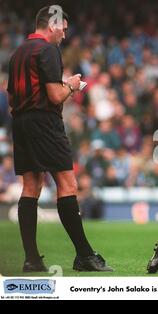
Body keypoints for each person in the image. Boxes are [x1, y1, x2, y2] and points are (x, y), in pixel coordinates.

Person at [7, 5, 112, 272]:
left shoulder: (18, 52)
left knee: (30, 187)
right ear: (52, 25)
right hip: (45, 122)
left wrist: (57, 84)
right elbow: (55, 96)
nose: (64, 35)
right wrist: (71, 86)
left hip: (19, 123)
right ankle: (85, 255)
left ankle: (31, 259)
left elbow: (13, 96)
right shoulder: (48, 50)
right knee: (67, 183)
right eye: (63, 30)